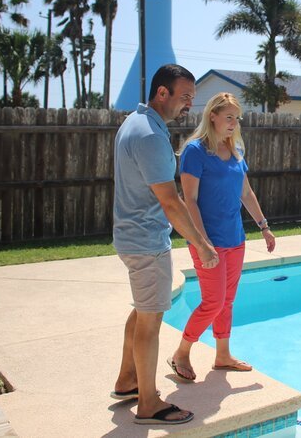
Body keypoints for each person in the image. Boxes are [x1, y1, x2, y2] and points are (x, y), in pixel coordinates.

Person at [110, 64, 219, 425]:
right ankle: (149, 403)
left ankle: (127, 380)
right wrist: (202, 245)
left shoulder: (134, 122)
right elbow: (171, 203)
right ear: (162, 94)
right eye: (185, 96)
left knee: (143, 311)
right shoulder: (151, 137)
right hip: (145, 242)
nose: (190, 104)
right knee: (151, 322)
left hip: (130, 236)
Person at [168, 92, 276, 381]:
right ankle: (181, 352)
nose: (233, 123)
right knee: (213, 302)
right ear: (212, 116)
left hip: (235, 239)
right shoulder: (194, 151)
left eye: (236, 118)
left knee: (226, 301)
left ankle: (223, 355)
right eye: (228, 117)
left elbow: (246, 193)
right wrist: (203, 244)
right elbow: (189, 200)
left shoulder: (236, 149)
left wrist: (263, 226)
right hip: (207, 242)